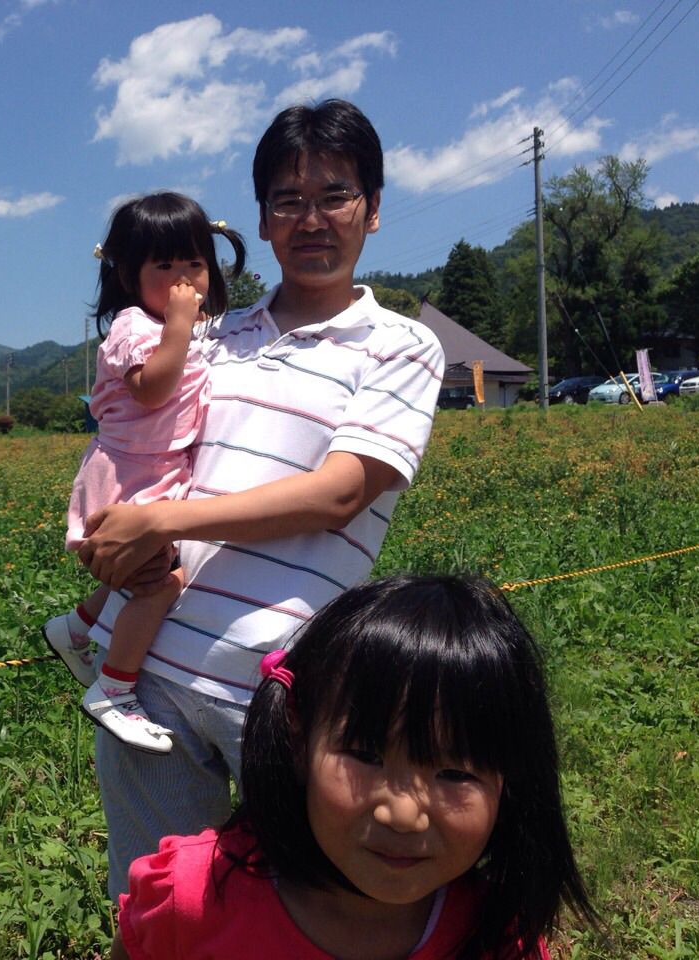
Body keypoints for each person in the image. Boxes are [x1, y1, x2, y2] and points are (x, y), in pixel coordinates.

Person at [76, 99, 446, 898]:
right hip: (149, 681)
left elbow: (340, 493)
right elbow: (137, 432)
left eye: (335, 195)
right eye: (288, 200)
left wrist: (161, 520)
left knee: (311, 908)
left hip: (284, 690)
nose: (311, 219)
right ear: (263, 220)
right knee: (158, 909)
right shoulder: (212, 335)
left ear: (373, 211)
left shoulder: (403, 346)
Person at [113, 575, 596, 959]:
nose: (403, 815)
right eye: (366, 756)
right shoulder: (191, 897)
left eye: (455, 774)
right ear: (299, 740)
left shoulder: (497, 934)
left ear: (510, 780)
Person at [42, 192, 246, 754]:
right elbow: (152, 389)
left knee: (149, 574)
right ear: (130, 277)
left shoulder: (190, 328)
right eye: (165, 267)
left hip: (155, 473)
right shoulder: (136, 327)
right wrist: (179, 326)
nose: (183, 281)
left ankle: (79, 627)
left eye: (195, 265)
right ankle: (115, 688)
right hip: (132, 477)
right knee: (156, 587)